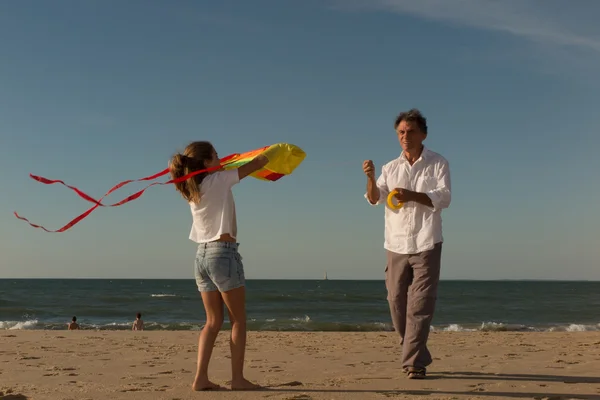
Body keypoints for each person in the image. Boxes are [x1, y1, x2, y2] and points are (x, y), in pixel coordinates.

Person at [169, 141, 271, 391]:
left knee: (212, 321)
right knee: (238, 320)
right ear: (205, 163)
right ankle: (237, 379)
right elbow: (255, 165)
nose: (221, 158)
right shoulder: (219, 180)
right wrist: (268, 155)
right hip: (222, 254)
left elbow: (222, 171)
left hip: (201, 257)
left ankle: (200, 378)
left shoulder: (192, 189)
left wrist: (220, 166)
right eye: (216, 156)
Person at [363, 108, 451, 379]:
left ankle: (414, 363)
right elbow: (374, 198)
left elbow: (444, 198)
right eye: (401, 132)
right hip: (396, 243)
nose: (405, 136)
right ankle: (415, 351)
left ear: (423, 134)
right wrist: (370, 177)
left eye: (410, 131)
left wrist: (413, 195)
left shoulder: (438, 163)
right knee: (396, 301)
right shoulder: (390, 168)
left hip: (426, 241)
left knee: (420, 303)